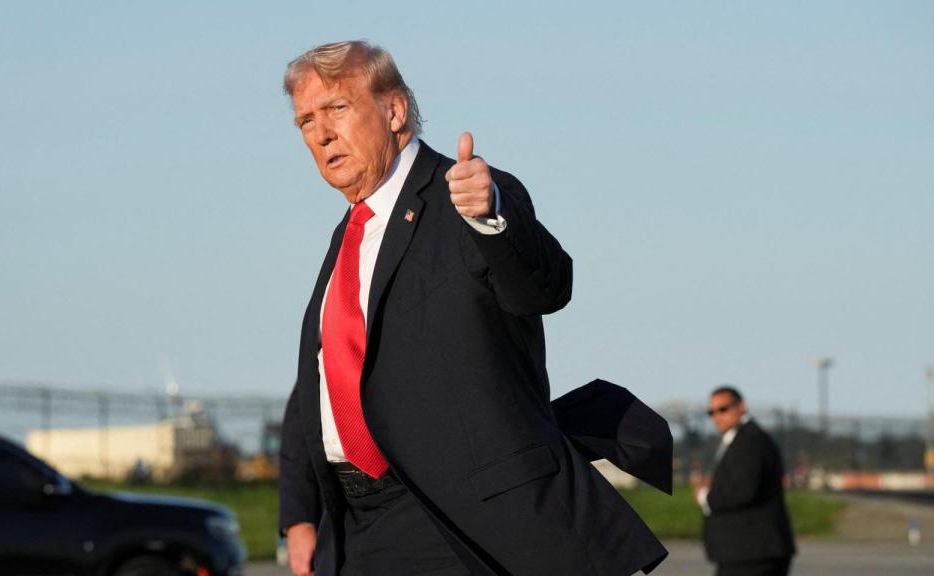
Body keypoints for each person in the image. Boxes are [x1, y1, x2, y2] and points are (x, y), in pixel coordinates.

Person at [278, 39, 667, 576]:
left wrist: (492, 216)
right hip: (358, 524)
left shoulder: (469, 197)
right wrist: (302, 515)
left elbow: (545, 288)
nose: (320, 134)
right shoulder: (348, 237)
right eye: (305, 122)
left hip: (456, 515)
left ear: (393, 111)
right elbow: (327, 380)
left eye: (337, 109)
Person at [696, 386, 796, 576]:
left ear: (741, 407)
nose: (716, 416)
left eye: (723, 409)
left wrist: (705, 497)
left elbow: (743, 490)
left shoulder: (750, 440)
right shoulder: (743, 439)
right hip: (747, 553)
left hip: (753, 553)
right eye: (712, 412)